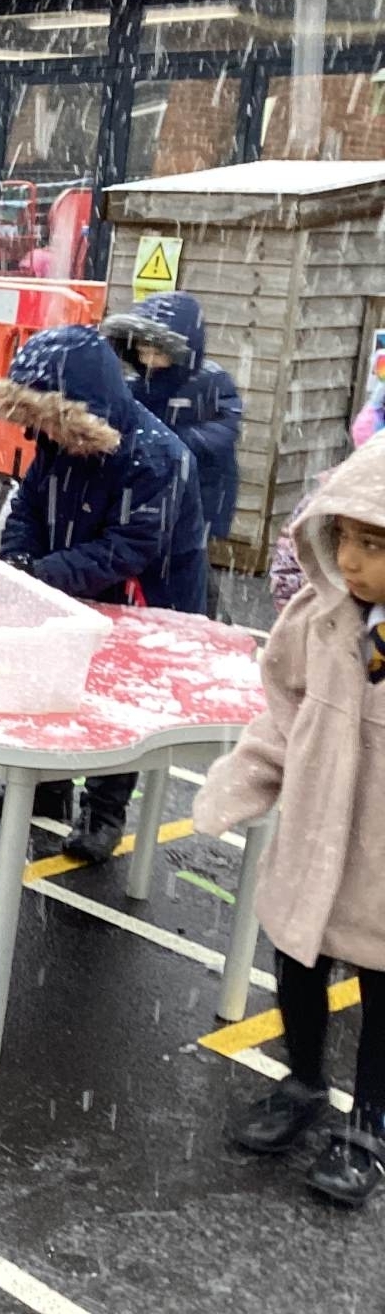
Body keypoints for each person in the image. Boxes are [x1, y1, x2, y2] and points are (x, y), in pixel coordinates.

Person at [193, 434, 385, 1209]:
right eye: (344, 538)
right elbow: (281, 711)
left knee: (381, 986)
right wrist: (243, 780)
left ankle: (369, 1122)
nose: (352, 561)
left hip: (380, 861)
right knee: (298, 962)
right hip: (313, 833)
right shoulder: (318, 618)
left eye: (374, 545)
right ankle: (303, 1080)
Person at [0, 324, 209, 859]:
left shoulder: (159, 457)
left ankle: (104, 809)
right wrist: (17, 560)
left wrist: (40, 573)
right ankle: (47, 785)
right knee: (51, 679)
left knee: (119, 705)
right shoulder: (57, 439)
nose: (41, 434)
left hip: (148, 599)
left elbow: (128, 549)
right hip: (71, 582)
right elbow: (28, 506)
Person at [102, 292, 242, 617]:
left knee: (190, 561)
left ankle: (209, 617)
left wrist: (174, 443)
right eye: (143, 351)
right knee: (158, 559)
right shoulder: (137, 386)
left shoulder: (211, 382)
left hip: (203, 492)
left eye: (157, 352)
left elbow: (225, 428)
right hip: (157, 490)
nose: (149, 359)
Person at [272, 378, 385, 615]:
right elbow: (289, 565)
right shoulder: (331, 493)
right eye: (341, 536)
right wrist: (316, 607)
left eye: (371, 544)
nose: (346, 561)